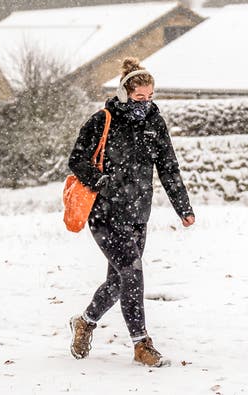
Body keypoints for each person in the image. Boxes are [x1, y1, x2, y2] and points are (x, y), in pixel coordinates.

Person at [67, 57, 195, 367]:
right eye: (139, 98)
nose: (145, 104)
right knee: (132, 272)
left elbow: (168, 168)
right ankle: (141, 344)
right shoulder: (103, 120)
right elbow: (77, 159)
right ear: (125, 94)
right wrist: (102, 182)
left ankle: (85, 322)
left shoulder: (155, 123)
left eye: (150, 98)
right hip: (104, 214)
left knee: (119, 281)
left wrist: (183, 207)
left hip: (139, 214)